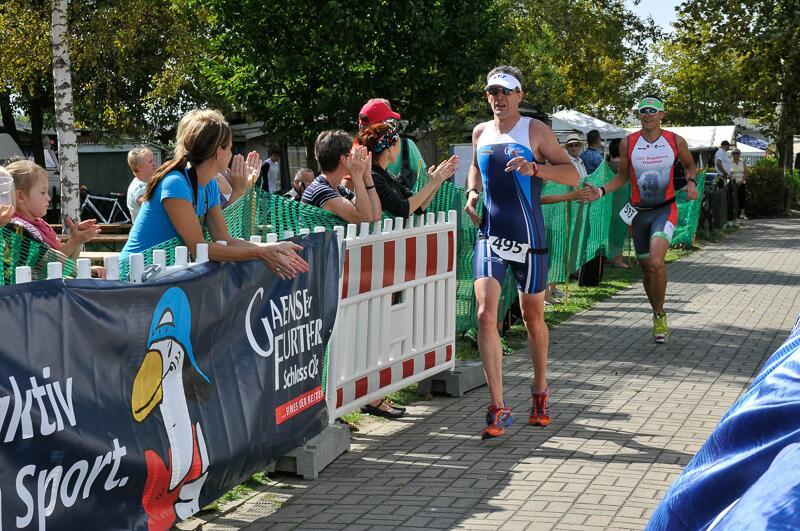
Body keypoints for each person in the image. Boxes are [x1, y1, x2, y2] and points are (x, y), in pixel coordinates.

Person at [464, 66, 579, 439]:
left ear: (519, 96)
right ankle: (498, 407)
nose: (498, 98)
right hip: (491, 235)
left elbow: (572, 175)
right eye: (492, 92)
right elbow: (475, 169)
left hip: (529, 237)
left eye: (505, 92)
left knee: (532, 317)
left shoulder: (535, 130)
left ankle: (540, 390)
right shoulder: (480, 132)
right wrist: (472, 193)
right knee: (485, 315)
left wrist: (535, 168)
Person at [121, 109, 308, 280]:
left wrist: (272, 247)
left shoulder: (209, 184)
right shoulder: (176, 183)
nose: (232, 154)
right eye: (230, 148)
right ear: (219, 152)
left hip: (159, 274)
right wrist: (260, 253)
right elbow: (199, 248)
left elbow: (225, 239)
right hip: (133, 276)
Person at [583, 95, 698, 343]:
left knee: (656, 262)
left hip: (665, 210)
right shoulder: (628, 143)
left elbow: (690, 166)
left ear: (661, 115)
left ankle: (661, 316)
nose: (647, 115)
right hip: (639, 213)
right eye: (643, 111)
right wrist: (601, 191)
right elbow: (623, 176)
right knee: (646, 269)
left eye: (652, 111)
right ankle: (656, 312)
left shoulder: (675, 141)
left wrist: (691, 183)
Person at [355, 122, 459, 218]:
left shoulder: (386, 175)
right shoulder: (374, 177)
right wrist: (433, 182)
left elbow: (418, 207)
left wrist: (437, 182)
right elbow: (403, 209)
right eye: (398, 143)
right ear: (390, 147)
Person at [6, 160, 101, 259]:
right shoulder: (19, 228)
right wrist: (74, 241)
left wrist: (77, 240)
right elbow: (50, 264)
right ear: (20, 196)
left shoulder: (39, 224)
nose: (49, 198)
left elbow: (70, 264)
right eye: (43, 192)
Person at [301, 130, 381, 223]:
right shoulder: (320, 191)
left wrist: (367, 177)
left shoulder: (340, 190)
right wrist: (357, 177)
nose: (355, 158)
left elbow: (375, 217)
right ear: (343, 159)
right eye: (352, 154)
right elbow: (365, 219)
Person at [358, 98, 427, 189]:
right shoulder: (406, 144)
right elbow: (424, 180)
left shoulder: (357, 152)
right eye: (389, 119)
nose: (392, 122)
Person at [605, 138, 630, 269]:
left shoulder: (606, 166)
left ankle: (608, 257)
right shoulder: (625, 167)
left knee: (609, 232)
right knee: (619, 232)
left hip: (607, 204)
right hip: (622, 203)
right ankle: (617, 260)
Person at [126, 147, 157, 223]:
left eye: (153, 160)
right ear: (139, 167)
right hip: (147, 230)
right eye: (150, 162)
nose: (155, 163)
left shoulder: (146, 182)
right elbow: (151, 205)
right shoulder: (138, 187)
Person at [730, 148, 748, 219]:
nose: (735, 154)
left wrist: (741, 181)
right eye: (733, 153)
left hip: (741, 182)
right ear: (732, 154)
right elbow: (728, 173)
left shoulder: (742, 162)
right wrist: (733, 181)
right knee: (733, 199)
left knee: (742, 198)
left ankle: (742, 214)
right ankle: (733, 215)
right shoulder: (729, 162)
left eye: (737, 153)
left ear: (739, 154)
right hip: (732, 182)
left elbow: (746, 172)